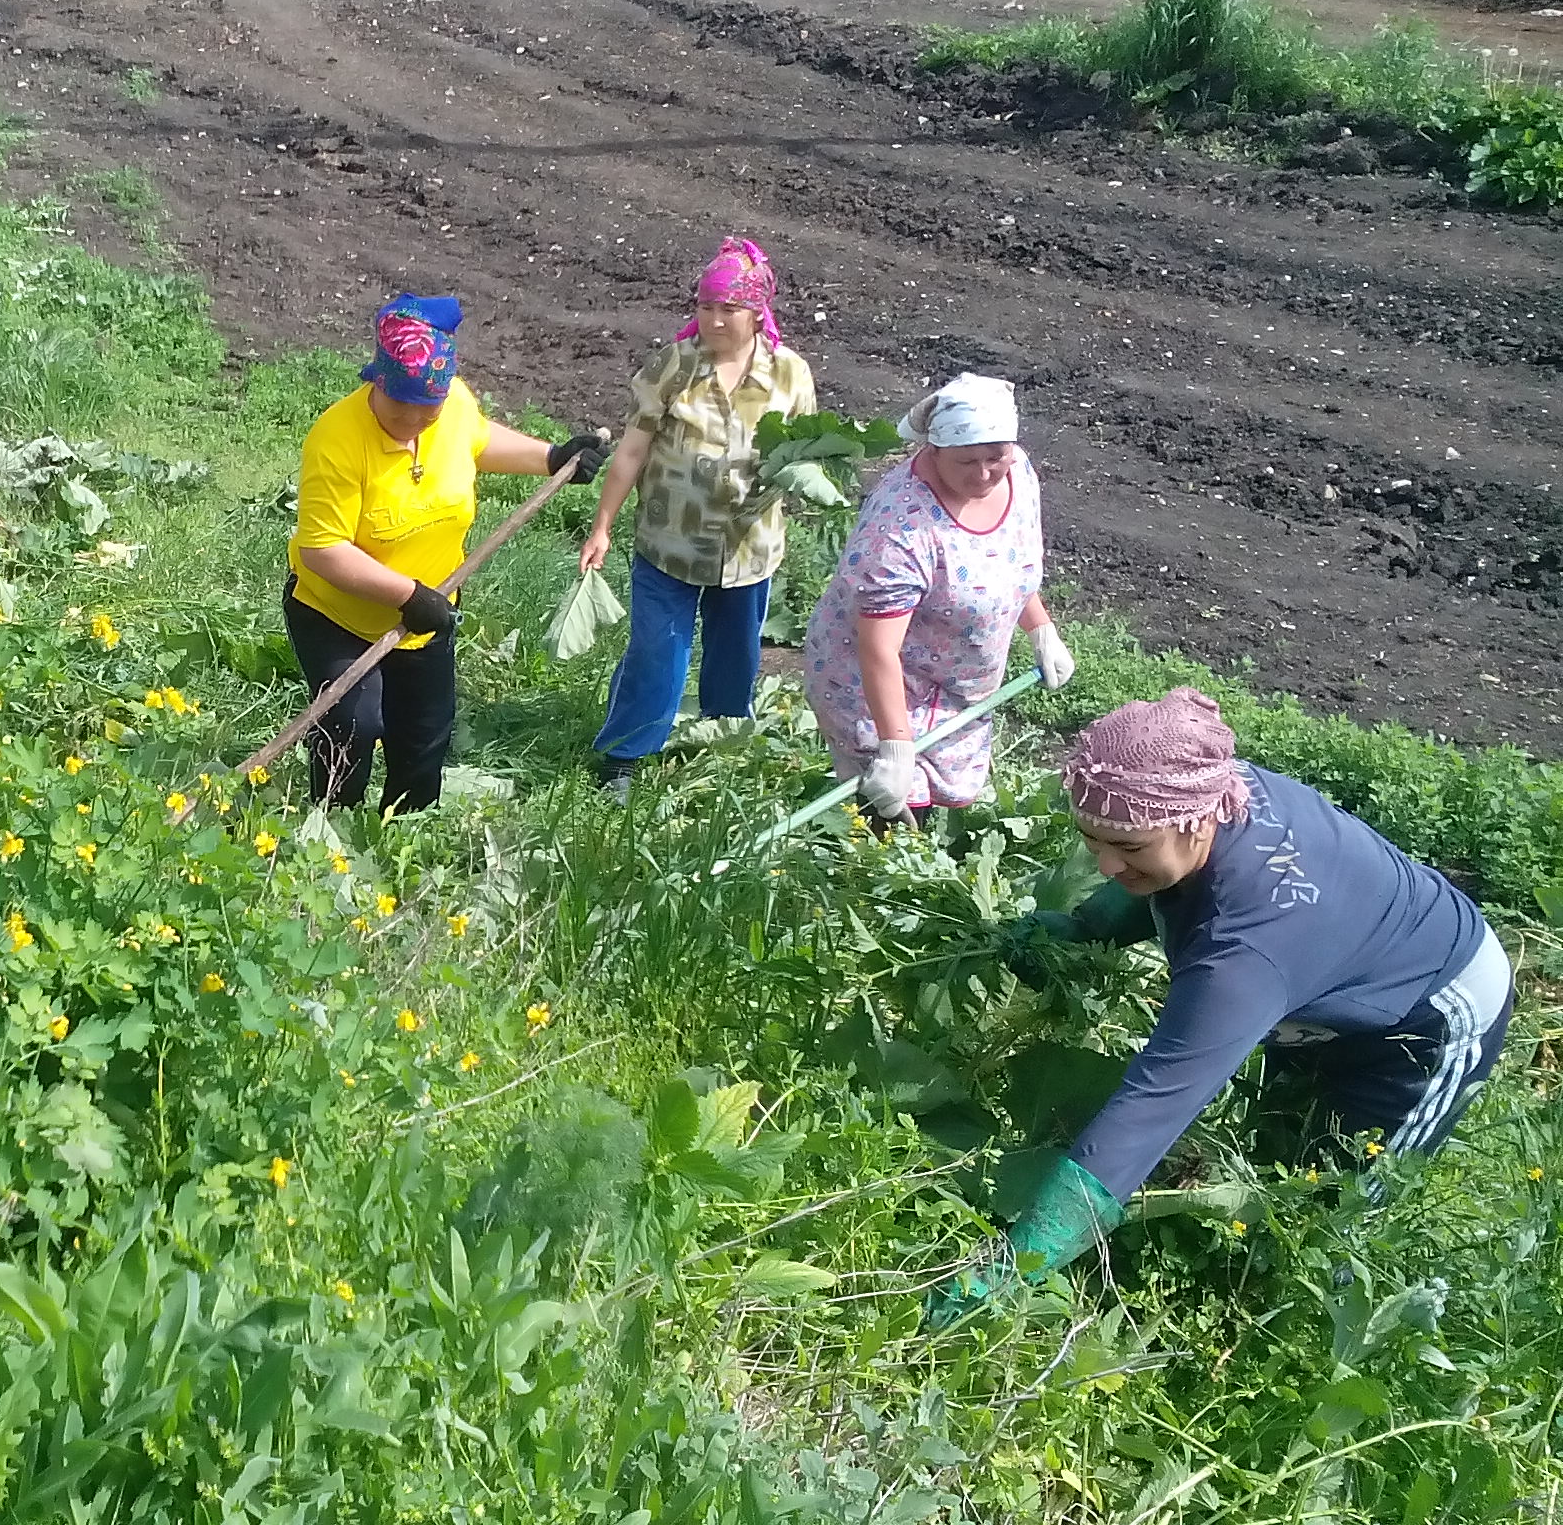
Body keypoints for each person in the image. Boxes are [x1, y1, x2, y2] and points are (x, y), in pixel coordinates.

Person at [929, 690, 1516, 1325]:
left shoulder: (1245, 956)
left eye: (1126, 845)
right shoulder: (1205, 783)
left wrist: (1018, 1267)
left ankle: (1296, 1340)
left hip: (1430, 1011)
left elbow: (1149, 1110)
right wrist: (1086, 926)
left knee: (1339, 1212)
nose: (1104, 862)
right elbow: (1161, 877)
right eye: (1091, 838)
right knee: (1281, 1149)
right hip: (1336, 957)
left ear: (1194, 820)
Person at [287, 294, 604, 815]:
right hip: (338, 614)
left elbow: (477, 440)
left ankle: (404, 839)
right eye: (400, 404)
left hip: (428, 612)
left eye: (427, 408)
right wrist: (406, 594)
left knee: (425, 734)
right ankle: (330, 832)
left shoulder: (452, 404)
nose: (414, 418)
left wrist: (551, 458)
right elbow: (323, 550)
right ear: (378, 382)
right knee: (353, 723)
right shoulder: (337, 439)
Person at [579, 239, 817, 792]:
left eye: (728, 310)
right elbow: (633, 450)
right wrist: (602, 526)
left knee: (736, 657)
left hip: (748, 549)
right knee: (657, 651)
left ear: (757, 312)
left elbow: (808, 449)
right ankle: (624, 757)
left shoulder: (790, 376)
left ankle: (720, 744)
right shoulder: (674, 366)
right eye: (706, 307)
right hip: (669, 541)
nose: (714, 320)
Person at [802, 373, 1075, 823]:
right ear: (933, 449)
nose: (985, 473)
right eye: (967, 462)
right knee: (894, 822)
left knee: (929, 810)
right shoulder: (900, 531)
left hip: (954, 686)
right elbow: (878, 650)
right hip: (876, 687)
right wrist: (894, 747)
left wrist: (1041, 628)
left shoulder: (1019, 473)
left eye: (996, 456)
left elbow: (1008, 563)